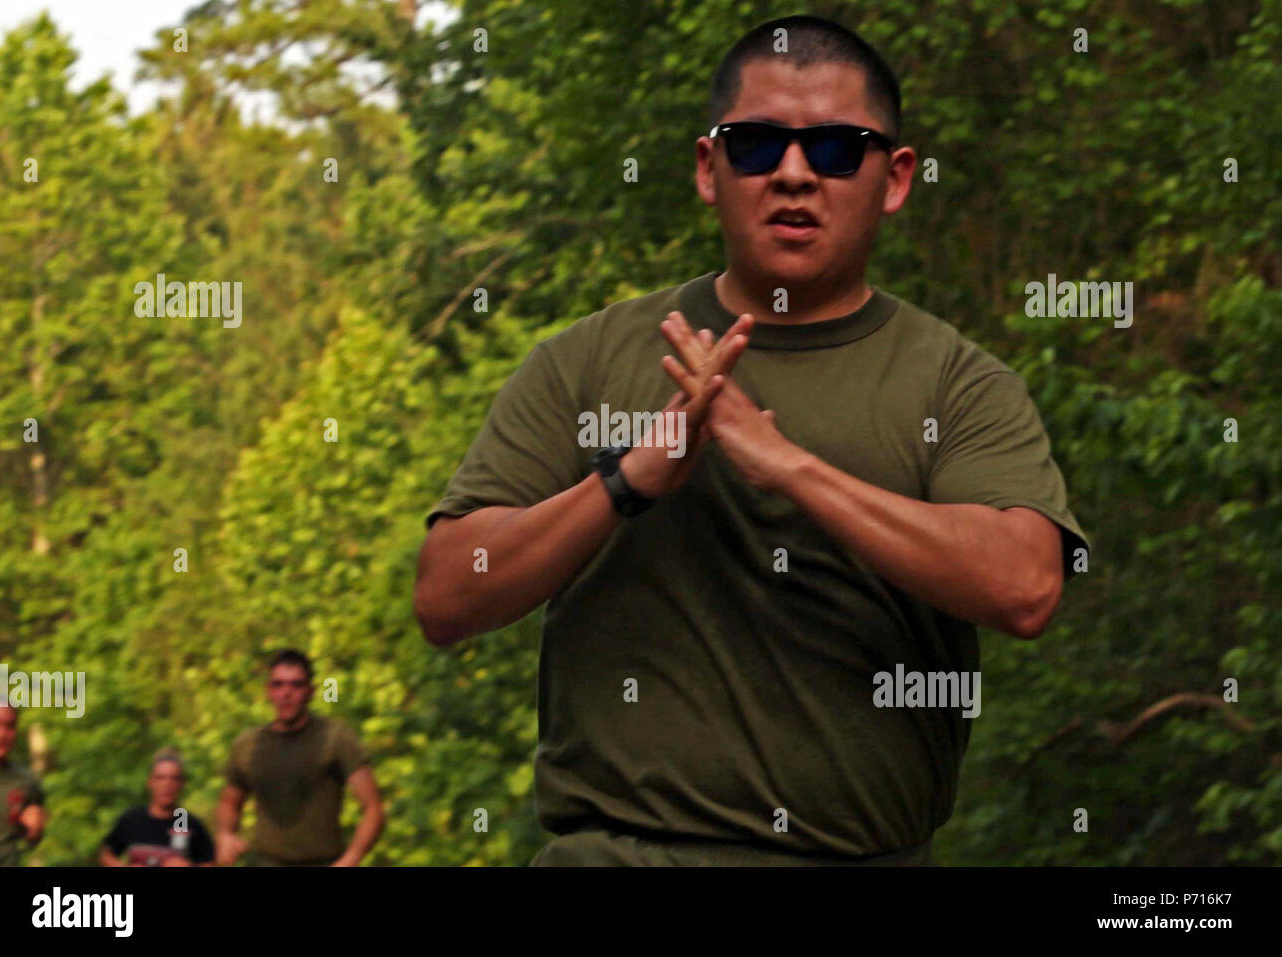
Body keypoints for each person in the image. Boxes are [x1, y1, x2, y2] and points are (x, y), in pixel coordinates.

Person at [415, 14, 1090, 865]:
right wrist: (630, 479)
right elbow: (446, 596)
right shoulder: (588, 359)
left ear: (895, 177)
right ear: (709, 167)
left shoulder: (956, 381)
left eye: (839, 149)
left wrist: (791, 467)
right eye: (758, 145)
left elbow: (1025, 585)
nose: (796, 175)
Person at [216, 649, 384, 866]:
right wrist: (225, 834)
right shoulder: (248, 745)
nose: (286, 693)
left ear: (310, 692)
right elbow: (229, 801)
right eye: (278, 684)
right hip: (265, 861)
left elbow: (373, 808)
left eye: (296, 685)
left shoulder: (335, 739)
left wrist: (351, 858)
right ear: (269, 691)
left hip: (323, 861)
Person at [100, 748, 216, 866]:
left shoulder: (192, 824)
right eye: (160, 778)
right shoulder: (131, 820)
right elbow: (107, 854)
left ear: (182, 784)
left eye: (174, 778)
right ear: (150, 782)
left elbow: (209, 862)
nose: (167, 784)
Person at [0, 703, 46, 867]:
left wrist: (34, 832)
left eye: (10, 726)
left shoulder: (27, 780)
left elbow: (32, 841)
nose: (2, 734)